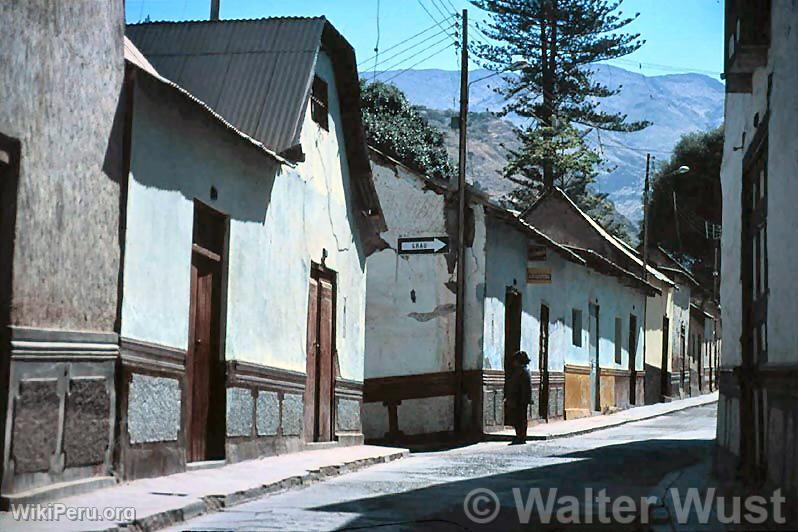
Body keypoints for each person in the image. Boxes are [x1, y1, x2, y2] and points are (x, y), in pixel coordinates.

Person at [506, 350, 532, 444]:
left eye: (515, 360)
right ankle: (520, 436)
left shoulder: (522, 372)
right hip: (518, 399)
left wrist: (523, 399)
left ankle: (521, 436)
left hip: (520, 400)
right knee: (518, 418)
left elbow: (524, 388)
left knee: (520, 419)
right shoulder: (521, 371)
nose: (514, 362)